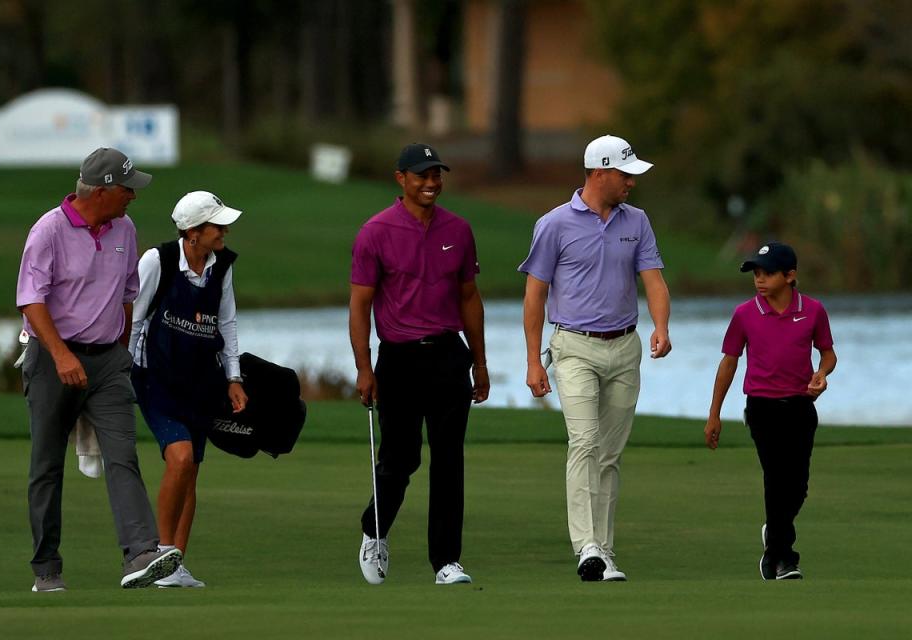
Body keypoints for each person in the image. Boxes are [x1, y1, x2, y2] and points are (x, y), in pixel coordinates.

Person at [16, 147, 182, 592]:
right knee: (47, 465)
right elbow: (32, 301)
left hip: (108, 361)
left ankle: (141, 553)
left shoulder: (124, 228)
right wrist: (63, 356)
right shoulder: (48, 230)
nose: (134, 196)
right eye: (128, 188)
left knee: (123, 456)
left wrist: (120, 352)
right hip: (54, 358)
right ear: (105, 189)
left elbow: (127, 295)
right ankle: (47, 569)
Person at [519, 135, 671, 582]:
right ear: (599, 172)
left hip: (625, 347)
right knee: (584, 442)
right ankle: (587, 547)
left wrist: (661, 327)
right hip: (574, 347)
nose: (631, 183)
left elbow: (654, 282)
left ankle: (604, 551)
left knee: (609, 454)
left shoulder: (637, 221)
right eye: (625, 175)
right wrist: (532, 361)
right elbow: (534, 297)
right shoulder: (554, 224)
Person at [349, 143, 489, 586]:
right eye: (422, 175)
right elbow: (360, 307)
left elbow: (469, 298)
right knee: (400, 459)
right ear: (401, 179)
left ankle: (446, 561)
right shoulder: (375, 231)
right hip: (399, 359)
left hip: (449, 356)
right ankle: (374, 530)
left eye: (436, 175)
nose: (431, 183)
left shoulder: (459, 230)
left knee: (449, 461)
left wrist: (480, 363)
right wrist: (364, 367)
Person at [128, 191, 248, 588]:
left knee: (191, 470)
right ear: (192, 233)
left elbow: (226, 324)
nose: (225, 230)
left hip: (201, 380)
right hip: (156, 378)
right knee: (179, 459)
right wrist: (121, 375)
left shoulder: (222, 266)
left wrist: (234, 378)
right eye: (217, 225)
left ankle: (176, 566)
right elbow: (134, 321)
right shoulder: (156, 261)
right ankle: (161, 554)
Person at [704, 242, 836, 580]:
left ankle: (774, 533)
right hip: (762, 408)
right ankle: (782, 558)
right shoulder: (745, 313)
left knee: (798, 486)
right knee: (776, 479)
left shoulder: (814, 310)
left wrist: (822, 374)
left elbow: (828, 353)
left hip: (801, 406)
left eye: (767, 273)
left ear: (790, 276)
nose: (759, 280)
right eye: (756, 274)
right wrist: (714, 413)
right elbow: (729, 362)